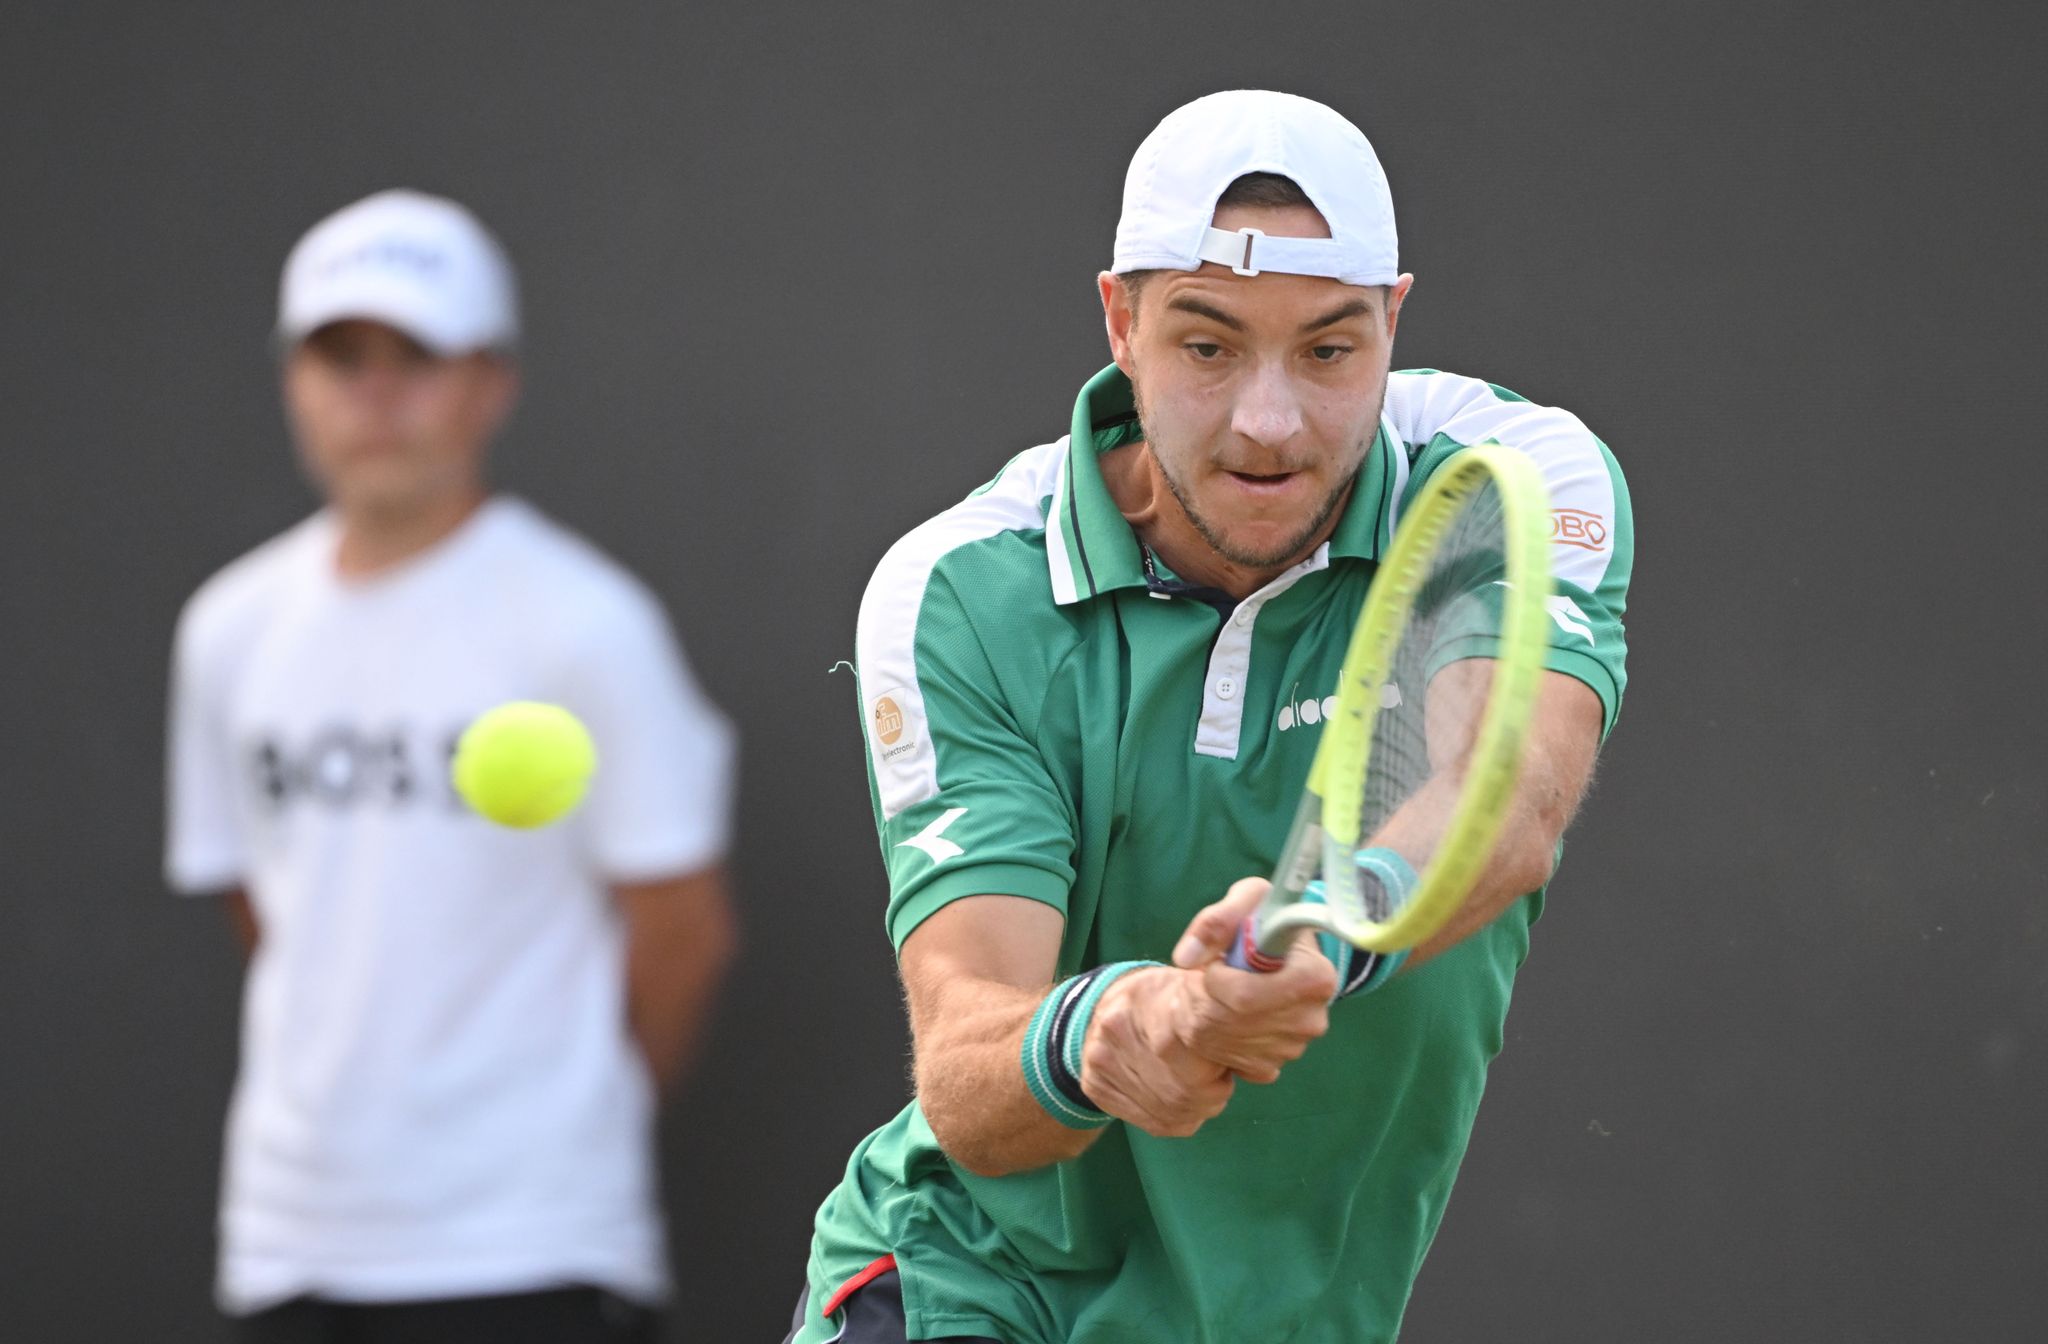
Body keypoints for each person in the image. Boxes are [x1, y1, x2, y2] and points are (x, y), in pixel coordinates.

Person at [782, 90, 1633, 1343]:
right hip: (969, 1287)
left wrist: (1323, 929)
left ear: (1392, 323)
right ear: (1119, 323)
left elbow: (1505, 799)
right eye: (1207, 346)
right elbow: (966, 1069)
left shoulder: (1509, 476)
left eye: (1328, 351)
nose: (1267, 423)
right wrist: (1114, 1031)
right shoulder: (959, 589)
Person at [164, 189, 739, 1343]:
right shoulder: (227, 629)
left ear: (490, 383)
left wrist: (550, 1141)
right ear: (293, 381)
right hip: (289, 1246)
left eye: (415, 358)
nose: (375, 395)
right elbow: (264, 905)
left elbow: (681, 931)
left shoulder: (588, 625)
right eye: (342, 358)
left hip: (535, 1246)